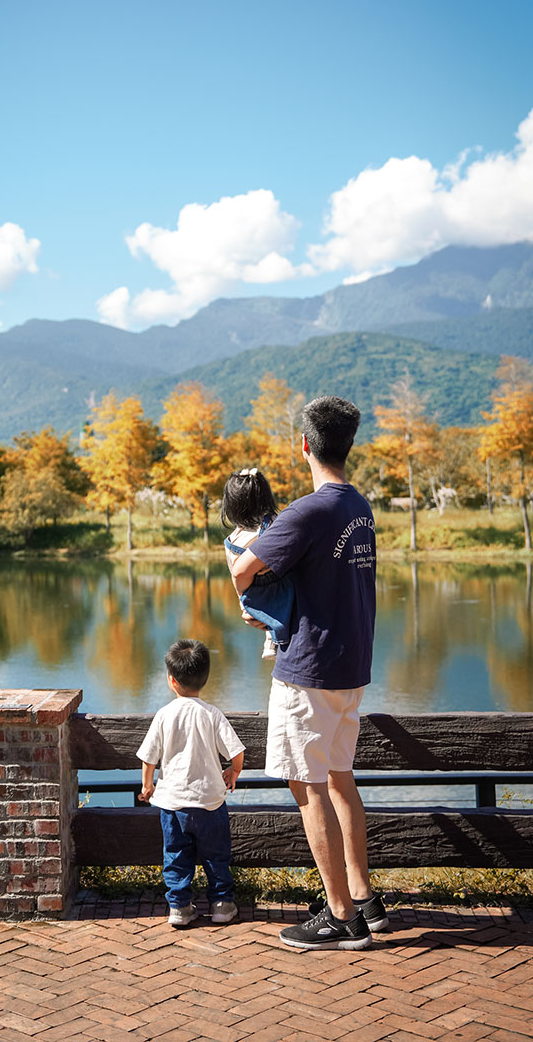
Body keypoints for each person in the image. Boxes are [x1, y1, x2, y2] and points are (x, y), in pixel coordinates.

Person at [231, 395, 386, 951]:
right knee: (341, 781)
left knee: (309, 790)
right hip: (352, 668)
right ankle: (366, 898)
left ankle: (341, 917)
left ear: (304, 445)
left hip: (309, 671)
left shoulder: (309, 511)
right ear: (348, 445)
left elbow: (245, 571)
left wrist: (258, 609)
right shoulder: (360, 508)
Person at [137, 639, 245, 928]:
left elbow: (149, 758)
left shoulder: (164, 715)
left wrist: (147, 786)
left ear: (172, 681)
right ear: (205, 679)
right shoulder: (211, 714)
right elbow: (236, 752)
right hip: (210, 802)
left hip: (172, 804)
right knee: (216, 856)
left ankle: (180, 907)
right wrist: (233, 773)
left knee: (175, 856)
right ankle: (222, 904)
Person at [221, 467, 294, 660]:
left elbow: (235, 574)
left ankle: (270, 637)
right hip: (282, 589)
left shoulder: (232, 541)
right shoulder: (275, 525)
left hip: (253, 594)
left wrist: (243, 601)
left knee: (265, 607)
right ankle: (274, 639)